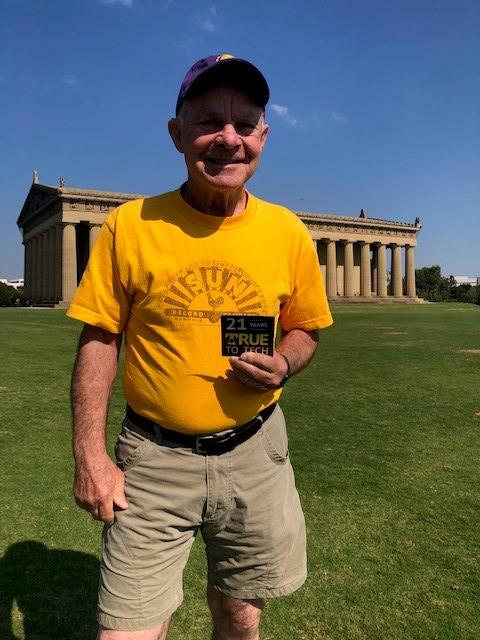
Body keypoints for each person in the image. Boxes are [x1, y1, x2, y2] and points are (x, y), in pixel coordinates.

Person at [68, 53, 333, 640]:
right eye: (209, 121)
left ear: (263, 137)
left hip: (255, 455)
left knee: (240, 616)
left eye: (244, 125)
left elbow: (306, 326)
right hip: (152, 460)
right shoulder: (130, 226)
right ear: (177, 134)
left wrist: (284, 362)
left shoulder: (287, 232)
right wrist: (89, 455)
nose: (228, 140)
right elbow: (99, 338)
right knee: (128, 630)